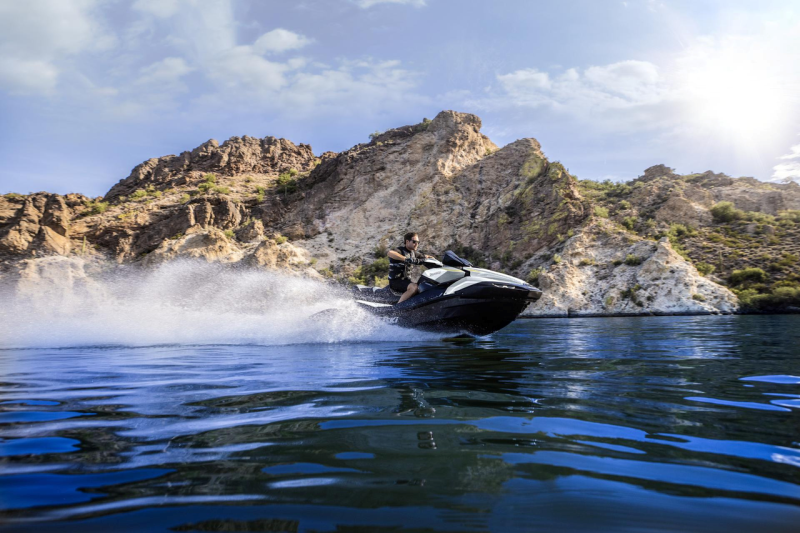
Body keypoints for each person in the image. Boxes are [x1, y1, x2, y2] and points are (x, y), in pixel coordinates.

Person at [387, 232, 432, 304]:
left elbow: (426, 257)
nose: (416, 244)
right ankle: (398, 307)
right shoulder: (400, 250)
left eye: (418, 242)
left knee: (423, 286)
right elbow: (390, 253)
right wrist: (405, 259)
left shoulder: (414, 253)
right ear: (407, 241)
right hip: (395, 281)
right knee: (414, 287)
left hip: (406, 281)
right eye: (414, 242)